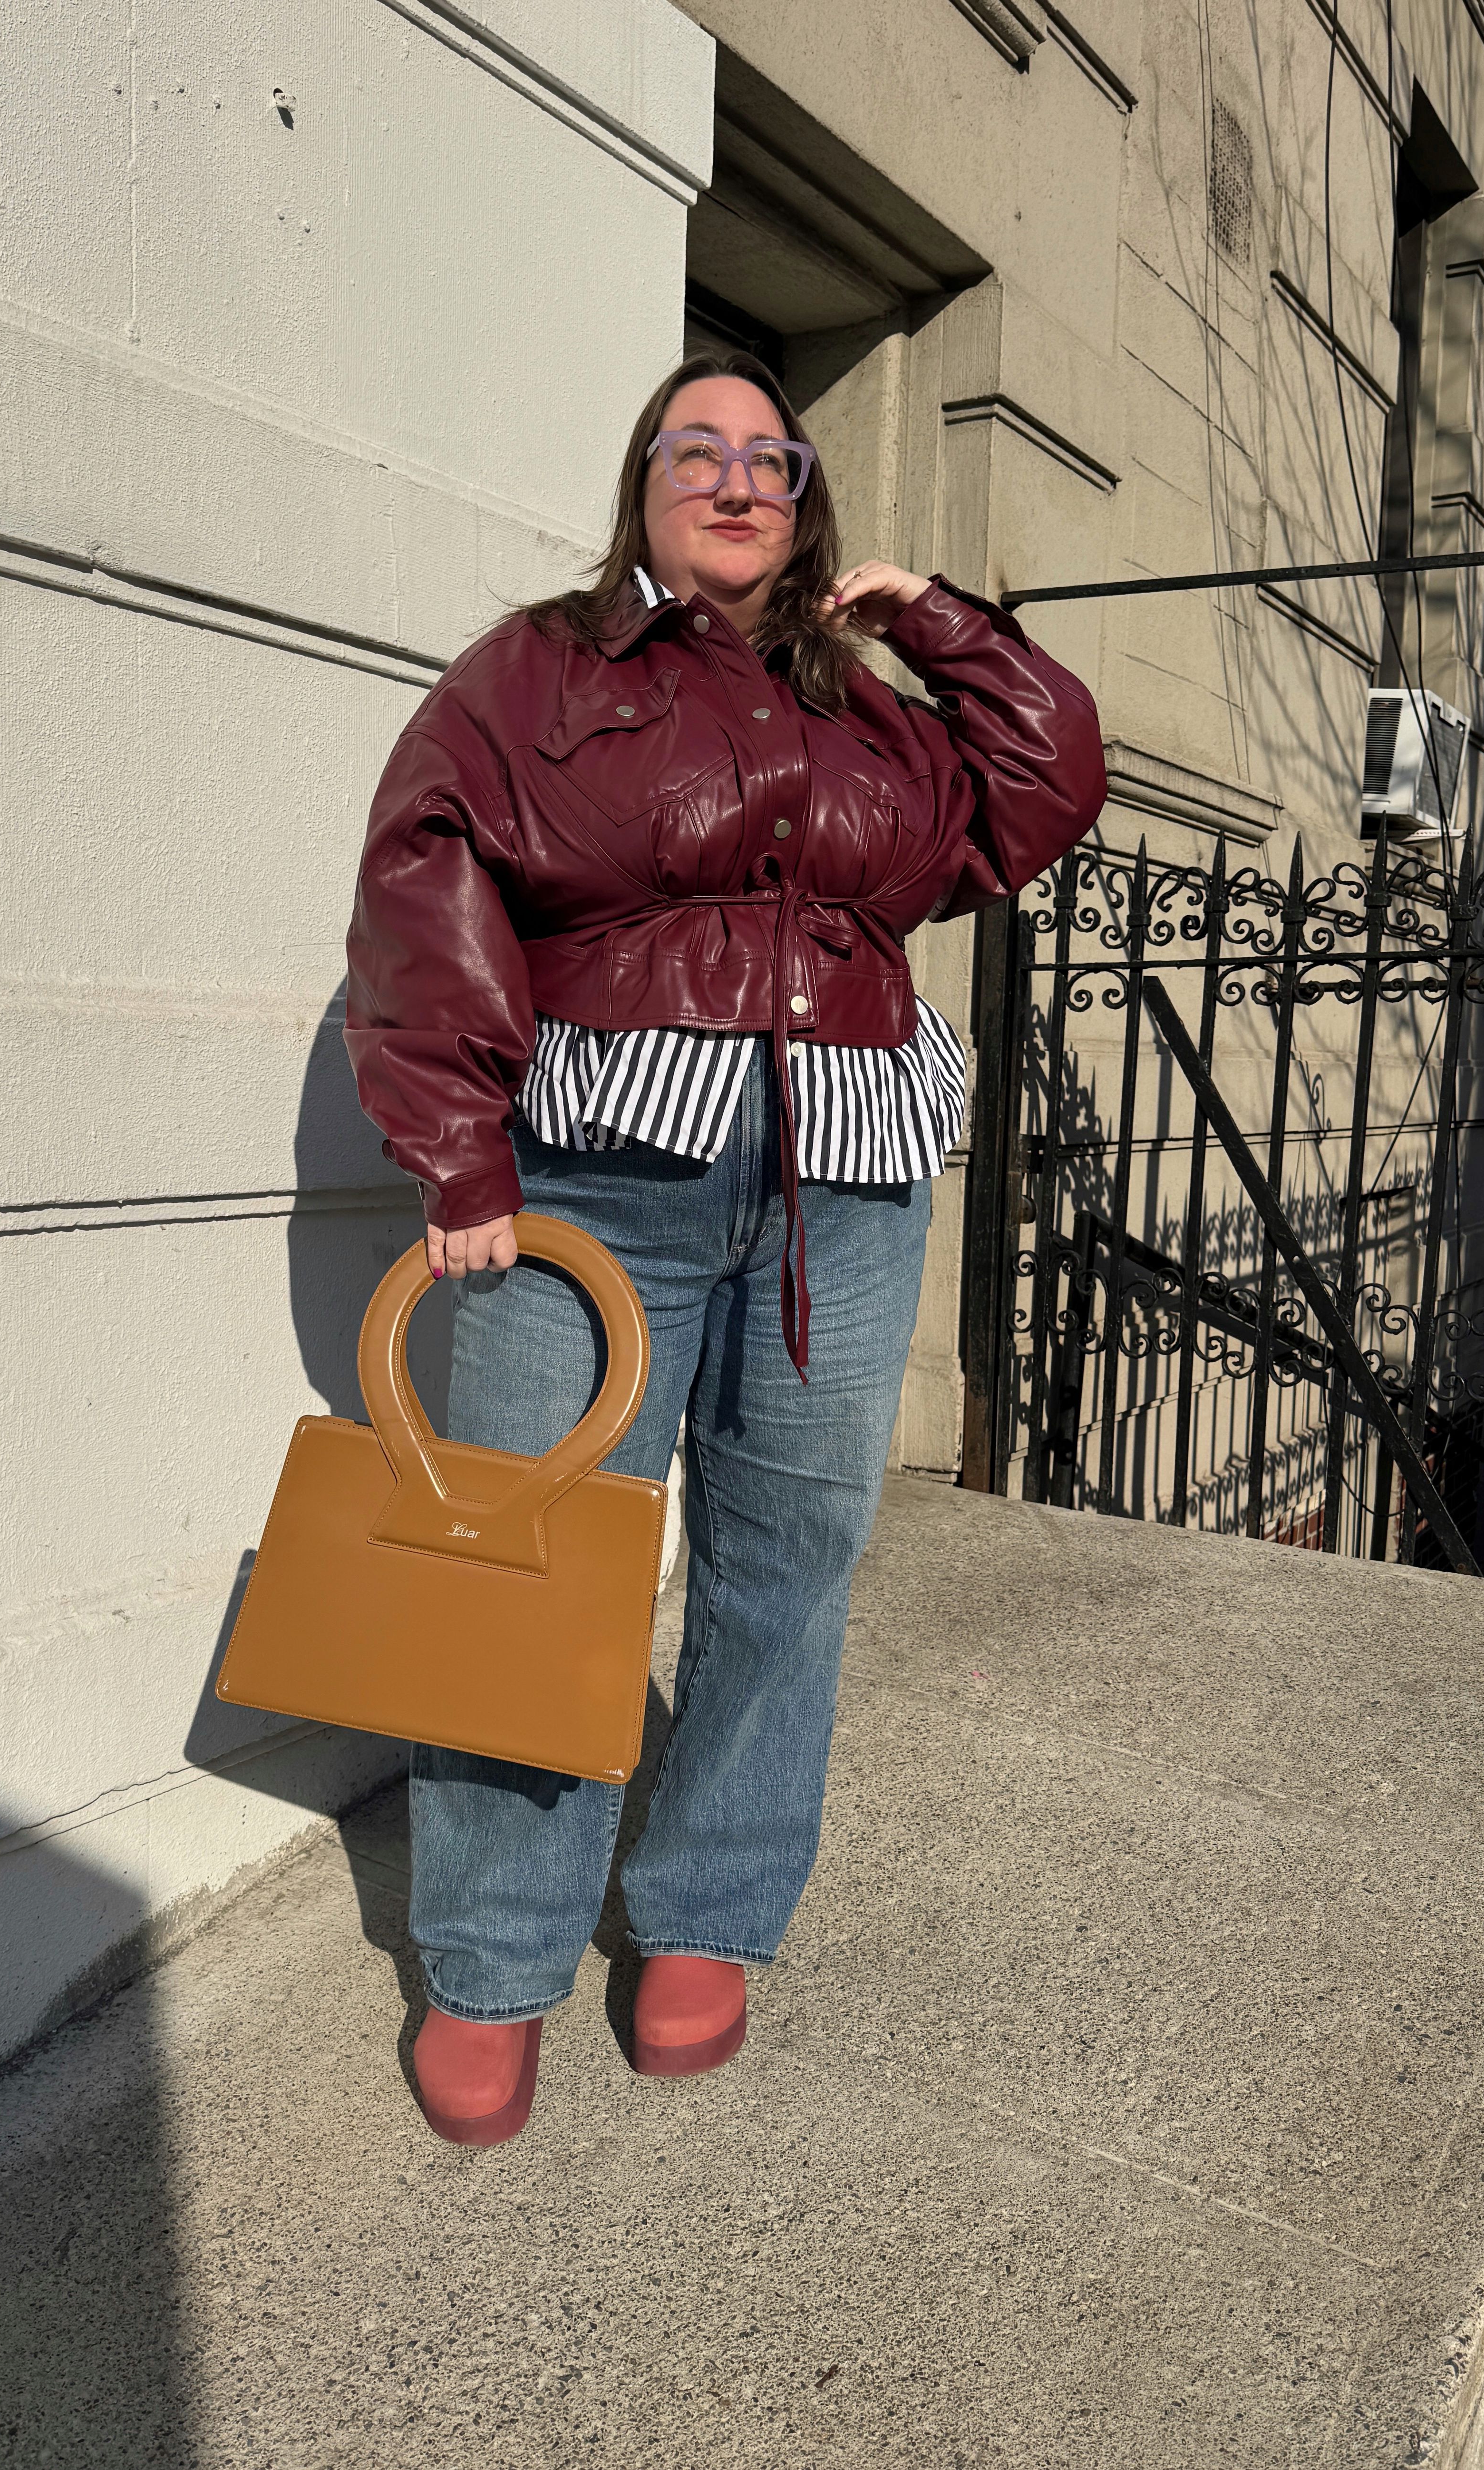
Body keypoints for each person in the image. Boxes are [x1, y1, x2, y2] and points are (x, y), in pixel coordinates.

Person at [346, 351, 1104, 2145]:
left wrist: (937, 620)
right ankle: (499, 1950)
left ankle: (705, 1904)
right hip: (593, 1183)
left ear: (806, 501)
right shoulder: (535, 669)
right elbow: (423, 876)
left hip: (840, 1182)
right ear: (642, 481)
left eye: (774, 456)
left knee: (791, 1555)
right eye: (701, 449)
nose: (740, 479)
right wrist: (459, 1157)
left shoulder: (873, 703)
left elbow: (1047, 779)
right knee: (527, 1558)